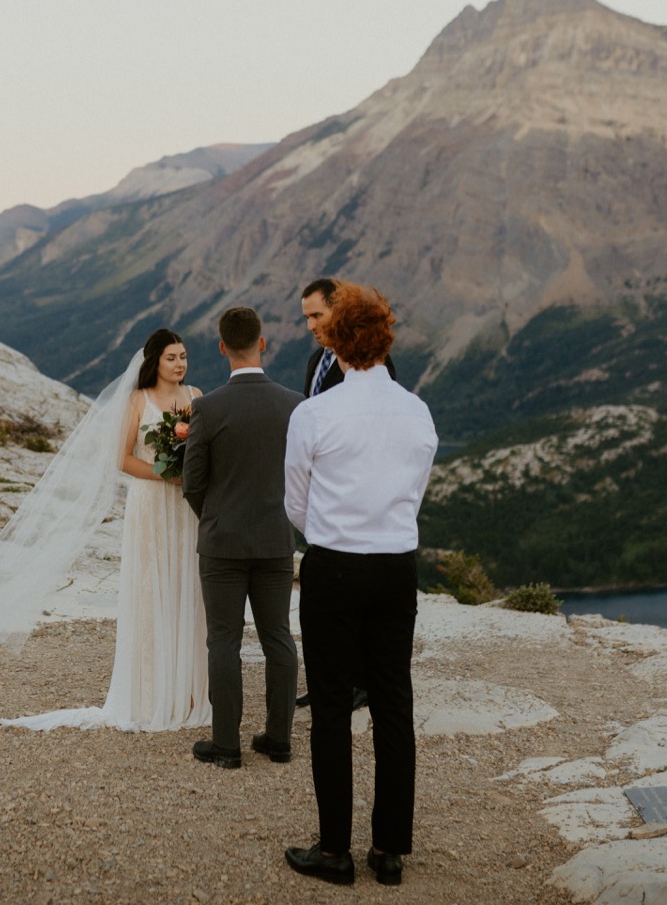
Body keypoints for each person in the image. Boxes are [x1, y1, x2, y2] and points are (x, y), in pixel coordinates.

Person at [282, 285, 438, 886]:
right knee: (394, 703)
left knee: (329, 706)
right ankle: (390, 850)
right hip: (396, 567)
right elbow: (415, 492)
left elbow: (296, 502)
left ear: (338, 345)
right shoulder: (418, 411)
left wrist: (330, 525)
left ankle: (334, 850)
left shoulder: (315, 413)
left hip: (334, 565)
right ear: (385, 340)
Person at [0, 328, 212, 732]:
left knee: (188, 589)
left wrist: (190, 475)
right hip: (151, 502)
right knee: (151, 592)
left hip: (187, 509)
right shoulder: (137, 400)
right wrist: (166, 475)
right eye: (171, 357)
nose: (180, 364)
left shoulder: (196, 397)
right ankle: (150, 694)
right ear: (154, 362)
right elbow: (121, 459)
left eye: (183, 356)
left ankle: (188, 693)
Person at [181, 307, 303, 769]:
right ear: (264, 343)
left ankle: (226, 746)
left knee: (224, 642)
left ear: (221, 347)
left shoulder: (207, 407)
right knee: (279, 639)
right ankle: (279, 739)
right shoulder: (293, 404)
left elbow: (194, 483)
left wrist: (215, 517)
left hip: (222, 543)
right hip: (275, 540)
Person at [295, 276, 395, 712]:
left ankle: (360, 682)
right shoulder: (318, 359)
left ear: (341, 310)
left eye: (317, 315)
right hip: (322, 495)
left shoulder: (375, 365)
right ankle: (331, 680)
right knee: (329, 597)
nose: (312, 326)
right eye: (307, 318)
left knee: (352, 589)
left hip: (357, 496)